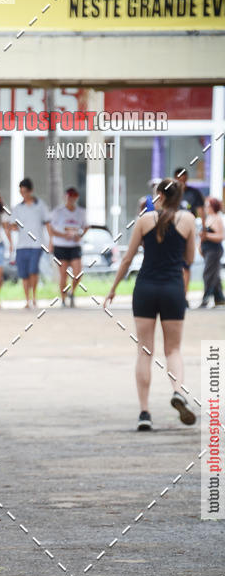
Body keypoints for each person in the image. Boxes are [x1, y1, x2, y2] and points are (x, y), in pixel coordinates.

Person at [104, 179, 197, 432]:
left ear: (160, 196)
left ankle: (144, 413)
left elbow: (127, 258)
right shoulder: (188, 220)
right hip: (173, 289)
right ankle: (178, 391)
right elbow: (189, 258)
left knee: (145, 351)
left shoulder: (144, 220)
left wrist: (113, 289)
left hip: (145, 288)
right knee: (173, 349)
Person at [10, 178, 50, 309]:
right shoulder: (17, 208)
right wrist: (11, 227)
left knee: (33, 270)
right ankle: (27, 300)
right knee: (24, 273)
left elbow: (48, 223)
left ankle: (34, 298)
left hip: (37, 244)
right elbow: (13, 225)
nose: (24, 195)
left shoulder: (40, 205)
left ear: (31, 191)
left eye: (25, 192)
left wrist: (51, 242)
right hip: (22, 245)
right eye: (21, 192)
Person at [49, 187, 88, 307]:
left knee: (78, 273)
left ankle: (72, 292)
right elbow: (50, 229)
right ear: (65, 197)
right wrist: (62, 236)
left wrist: (80, 236)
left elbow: (86, 226)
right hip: (61, 246)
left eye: (73, 197)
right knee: (63, 274)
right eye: (69, 197)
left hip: (75, 246)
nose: (71, 199)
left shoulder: (81, 212)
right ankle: (63, 298)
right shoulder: (58, 212)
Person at [174, 167, 205, 304]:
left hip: (188, 233)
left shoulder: (194, 193)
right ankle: (175, 294)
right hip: (173, 233)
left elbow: (201, 211)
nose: (182, 182)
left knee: (186, 264)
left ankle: (183, 295)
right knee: (175, 266)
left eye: (184, 179)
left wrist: (204, 229)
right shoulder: (172, 193)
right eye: (179, 180)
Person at [199, 197, 225, 308]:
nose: (206, 208)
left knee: (208, 274)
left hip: (214, 250)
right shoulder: (208, 218)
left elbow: (221, 236)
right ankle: (219, 298)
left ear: (213, 206)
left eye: (207, 205)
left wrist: (207, 235)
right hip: (207, 250)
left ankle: (206, 298)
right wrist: (200, 247)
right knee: (215, 275)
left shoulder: (217, 218)